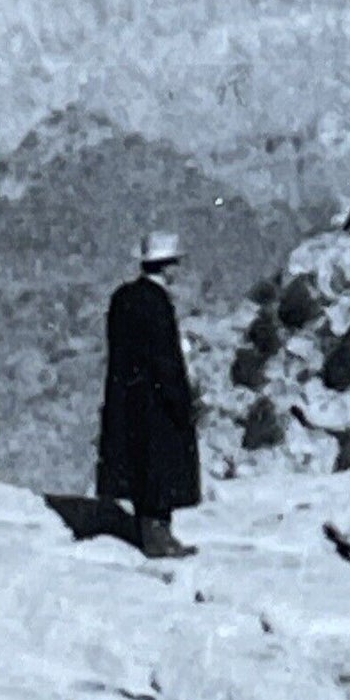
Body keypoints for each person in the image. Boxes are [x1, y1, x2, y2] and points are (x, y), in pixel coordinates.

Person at [96, 232, 201, 558]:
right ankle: (158, 537)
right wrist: (182, 401)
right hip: (156, 403)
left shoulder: (123, 298)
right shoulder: (157, 304)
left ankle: (148, 529)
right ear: (167, 266)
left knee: (140, 464)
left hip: (128, 401)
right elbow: (165, 360)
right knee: (161, 467)